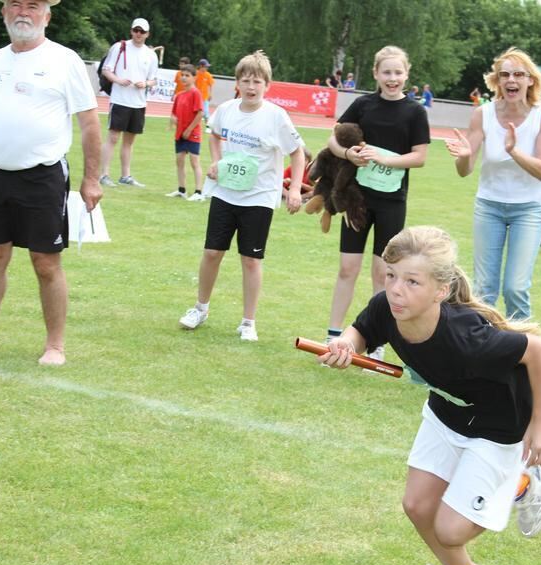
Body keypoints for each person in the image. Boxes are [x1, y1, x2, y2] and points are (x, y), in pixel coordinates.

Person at [318, 226, 541, 565]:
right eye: (391, 275)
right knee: (416, 506)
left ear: (440, 291)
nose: (396, 290)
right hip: (445, 413)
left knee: (450, 530)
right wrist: (347, 343)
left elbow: (537, 350)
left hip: (496, 427)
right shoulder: (386, 307)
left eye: (412, 281)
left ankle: (521, 482)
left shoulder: (467, 336)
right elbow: (361, 330)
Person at [0, 0, 102, 366]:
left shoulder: (65, 60)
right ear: (4, 13)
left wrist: (92, 179)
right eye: (15, 4)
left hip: (42, 175)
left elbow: (90, 123)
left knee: (45, 262)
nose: (23, 12)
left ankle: (55, 346)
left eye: (33, 5)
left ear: (47, 15)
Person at [177, 51, 305, 342]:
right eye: (246, 81)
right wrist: (216, 161)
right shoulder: (226, 110)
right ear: (237, 83)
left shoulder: (276, 117)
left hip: (258, 198)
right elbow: (214, 134)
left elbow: (297, 154)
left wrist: (296, 189)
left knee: (250, 260)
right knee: (212, 253)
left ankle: (248, 322)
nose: (251, 87)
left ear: (267, 85)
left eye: (257, 82)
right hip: (225, 193)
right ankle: (200, 308)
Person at [322, 45, 430, 358]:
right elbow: (333, 138)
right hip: (357, 199)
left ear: (407, 74)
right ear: (376, 74)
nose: (392, 78)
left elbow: (420, 157)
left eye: (398, 72)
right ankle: (333, 334)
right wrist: (347, 154)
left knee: (383, 274)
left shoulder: (415, 112)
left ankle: (376, 343)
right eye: (386, 72)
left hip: (392, 203)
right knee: (347, 268)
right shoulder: (363, 105)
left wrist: (385, 159)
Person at [446, 48, 541, 321]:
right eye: (505, 74)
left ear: (530, 80)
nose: (511, 80)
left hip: (529, 208)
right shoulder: (482, 114)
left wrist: (514, 151)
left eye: (519, 74)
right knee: (484, 288)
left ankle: (522, 343)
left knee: (515, 288)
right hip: (489, 206)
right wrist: (464, 156)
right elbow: (464, 170)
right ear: (497, 80)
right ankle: (482, 340)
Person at [98, 17, 158, 187]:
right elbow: (106, 70)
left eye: (142, 31)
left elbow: (153, 79)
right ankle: (104, 174)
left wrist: (145, 84)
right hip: (120, 99)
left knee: (129, 141)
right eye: (136, 30)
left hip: (138, 102)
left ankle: (125, 176)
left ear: (147, 34)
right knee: (113, 137)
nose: (138, 34)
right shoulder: (119, 47)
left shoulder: (150, 55)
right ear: (131, 31)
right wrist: (118, 80)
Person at [166, 63, 204, 201]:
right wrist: (172, 120)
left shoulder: (195, 93)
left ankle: (198, 192)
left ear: (194, 77)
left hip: (192, 134)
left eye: (187, 75)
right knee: (180, 161)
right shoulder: (179, 95)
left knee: (194, 162)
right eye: (182, 75)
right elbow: (174, 113)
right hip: (180, 134)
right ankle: (181, 190)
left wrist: (189, 129)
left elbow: (200, 113)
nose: (183, 78)